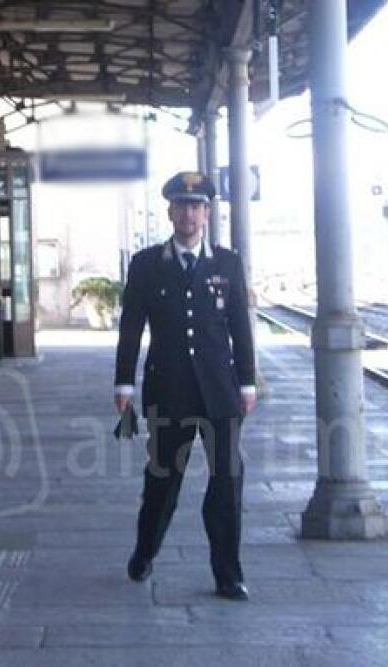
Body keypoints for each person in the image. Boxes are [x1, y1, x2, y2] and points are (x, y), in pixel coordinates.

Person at [114, 171, 257, 601]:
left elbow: (240, 328)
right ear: (170, 212)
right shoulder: (145, 264)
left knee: (227, 482)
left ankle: (228, 574)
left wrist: (247, 382)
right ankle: (146, 549)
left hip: (219, 392)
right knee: (162, 480)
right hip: (169, 390)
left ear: (207, 213)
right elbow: (130, 329)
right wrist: (124, 383)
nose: (189, 214)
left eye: (196, 206)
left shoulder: (227, 264)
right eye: (181, 205)